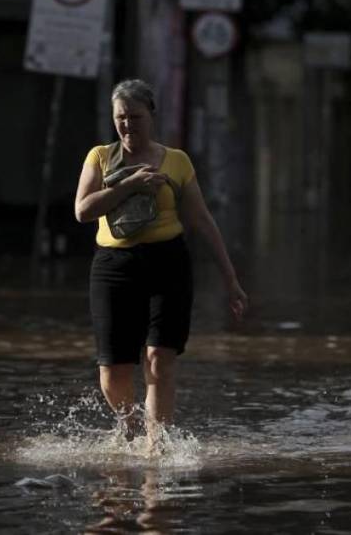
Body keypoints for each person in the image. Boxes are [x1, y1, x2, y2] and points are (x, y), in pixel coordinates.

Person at [74, 79, 248, 448]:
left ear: (151, 116)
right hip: (113, 265)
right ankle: (132, 425)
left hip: (167, 263)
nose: (127, 125)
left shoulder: (176, 161)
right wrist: (129, 185)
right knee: (112, 371)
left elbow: (202, 220)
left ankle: (157, 446)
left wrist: (230, 278)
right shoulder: (100, 157)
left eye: (135, 117)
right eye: (120, 117)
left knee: (158, 359)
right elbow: (82, 211)